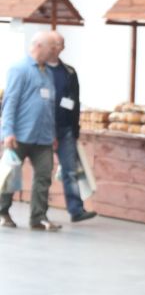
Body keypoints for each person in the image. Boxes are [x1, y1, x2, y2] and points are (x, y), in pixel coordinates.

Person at [0, 31, 63, 231]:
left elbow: (49, 105)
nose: (55, 51)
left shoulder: (47, 73)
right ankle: (2, 212)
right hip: (19, 135)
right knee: (10, 176)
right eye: (52, 47)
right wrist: (7, 131)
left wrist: (53, 133)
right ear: (39, 46)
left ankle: (38, 217)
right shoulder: (20, 69)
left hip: (43, 137)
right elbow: (10, 102)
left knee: (44, 176)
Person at [47, 32, 97, 223]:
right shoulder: (38, 70)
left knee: (69, 170)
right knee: (43, 171)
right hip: (42, 128)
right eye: (56, 44)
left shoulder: (69, 71)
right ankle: (39, 211)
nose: (59, 47)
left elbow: (75, 101)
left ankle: (76, 209)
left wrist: (75, 128)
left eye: (62, 44)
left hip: (65, 127)